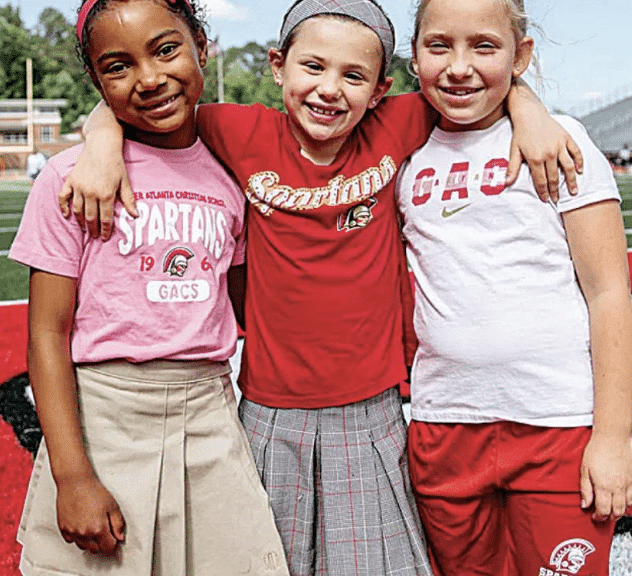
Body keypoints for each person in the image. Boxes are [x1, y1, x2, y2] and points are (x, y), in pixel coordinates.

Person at [58, 1, 586, 574]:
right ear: (277, 65)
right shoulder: (235, 130)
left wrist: (530, 107)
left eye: (353, 76)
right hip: (269, 413)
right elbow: (147, 104)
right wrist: (101, 139)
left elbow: (474, 81)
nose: (328, 90)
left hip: (373, 411)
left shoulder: (400, 123)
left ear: (382, 89)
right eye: (312, 67)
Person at [8, 1, 289, 575]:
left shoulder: (233, 170)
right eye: (118, 66)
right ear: (95, 79)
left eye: (167, 49)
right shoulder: (71, 180)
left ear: (202, 48)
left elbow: (243, 304)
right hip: (105, 417)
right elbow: (46, 335)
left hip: (210, 413)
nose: (150, 77)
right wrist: (73, 476)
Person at [397, 0, 632, 574]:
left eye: (483, 46)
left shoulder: (559, 143)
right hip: (444, 428)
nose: (458, 66)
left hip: (557, 427)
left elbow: (609, 294)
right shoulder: (403, 154)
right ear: (413, 56)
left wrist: (614, 439)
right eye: (438, 46)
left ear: (521, 54)